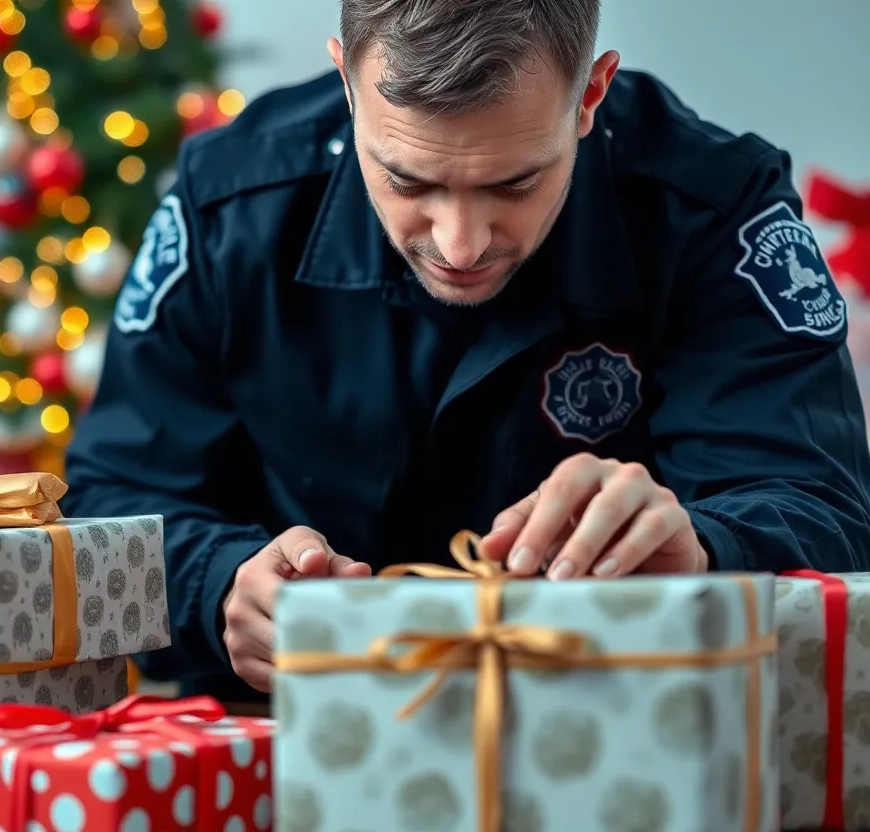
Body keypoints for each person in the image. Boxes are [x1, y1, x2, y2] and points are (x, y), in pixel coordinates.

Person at [62, 0, 870, 704]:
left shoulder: (713, 210)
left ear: (591, 93)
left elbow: (828, 513)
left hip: (628, 740)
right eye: (408, 182)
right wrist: (222, 588)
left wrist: (705, 546)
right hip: (284, 742)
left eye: (514, 183)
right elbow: (111, 503)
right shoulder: (229, 205)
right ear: (347, 84)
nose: (460, 243)